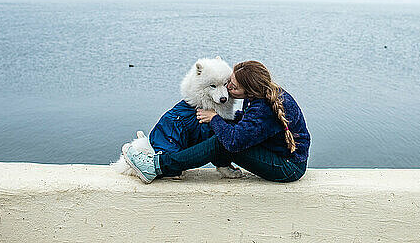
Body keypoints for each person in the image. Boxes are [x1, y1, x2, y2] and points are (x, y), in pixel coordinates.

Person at [122, 60, 311, 183]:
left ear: (249, 90)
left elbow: (234, 142)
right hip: (279, 155)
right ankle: (220, 166)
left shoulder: (264, 108)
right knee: (223, 135)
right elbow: (251, 126)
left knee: (221, 143)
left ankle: (156, 166)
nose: (227, 88)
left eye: (233, 86)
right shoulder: (260, 95)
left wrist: (214, 118)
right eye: (230, 81)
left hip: (288, 168)